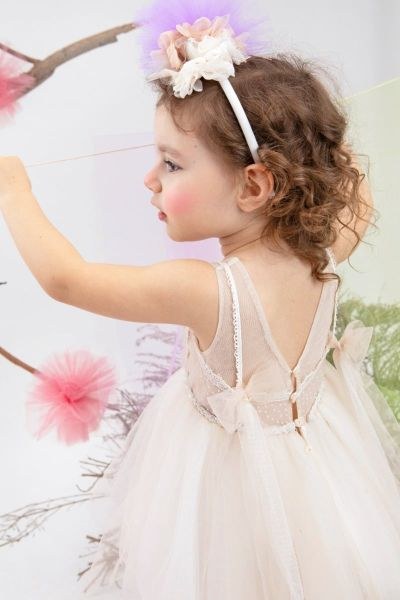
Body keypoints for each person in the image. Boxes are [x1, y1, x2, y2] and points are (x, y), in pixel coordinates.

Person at [1, 2, 400, 598]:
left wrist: (14, 189)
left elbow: (67, 279)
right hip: (318, 465)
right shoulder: (324, 254)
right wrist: (315, 145)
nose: (149, 179)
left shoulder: (205, 290)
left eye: (171, 163)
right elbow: (357, 190)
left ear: (254, 184)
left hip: (228, 479)